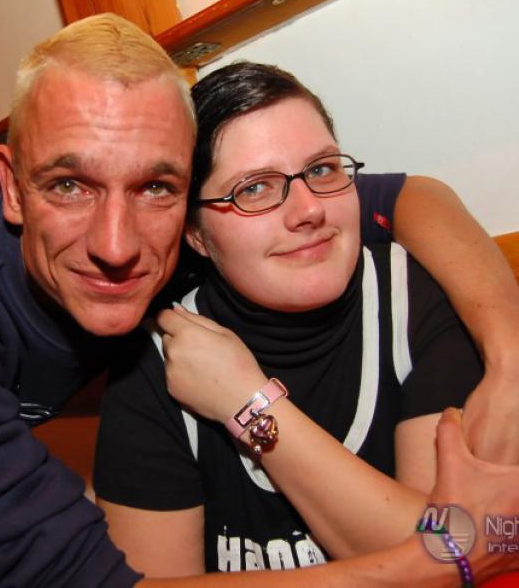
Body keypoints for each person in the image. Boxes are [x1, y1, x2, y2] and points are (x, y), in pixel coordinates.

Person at [0, 13, 517, 587]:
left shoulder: (234, 228)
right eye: (70, 185)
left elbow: (404, 195)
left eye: (156, 187)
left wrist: (511, 356)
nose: (116, 245)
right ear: (13, 190)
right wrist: (443, 559)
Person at [92, 62, 510, 576]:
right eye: (253, 188)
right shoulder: (155, 363)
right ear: (195, 234)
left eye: (321, 170)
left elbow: (446, 552)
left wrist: (248, 403)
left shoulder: (417, 297)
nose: (308, 210)